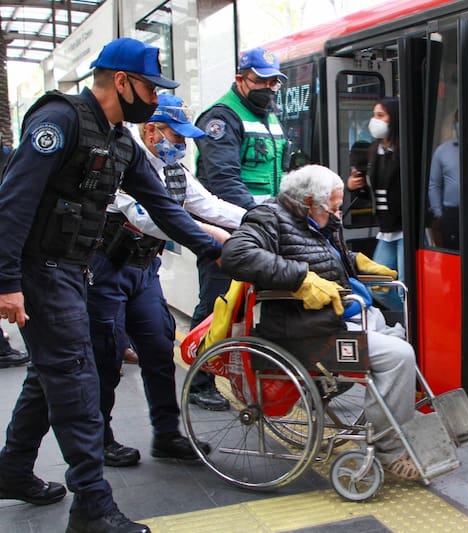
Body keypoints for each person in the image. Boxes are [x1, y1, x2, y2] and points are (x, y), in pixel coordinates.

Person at [0, 37, 222, 533]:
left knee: (50, 373)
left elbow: (163, 206)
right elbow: (13, 203)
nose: (154, 98)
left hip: (72, 270)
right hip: (41, 271)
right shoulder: (59, 121)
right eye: (150, 87)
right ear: (121, 82)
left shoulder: (120, 141)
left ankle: (12, 469)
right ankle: (92, 507)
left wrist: (214, 250)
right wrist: (6, 280)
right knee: (77, 378)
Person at [221, 164, 421, 480]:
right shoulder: (267, 218)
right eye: (335, 208)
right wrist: (299, 278)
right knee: (398, 357)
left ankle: (389, 423)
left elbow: (323, 257)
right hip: (306, 331)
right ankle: (390, 450)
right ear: (309, 202)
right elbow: (236, 255)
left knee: (403, 339)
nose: (338, 214)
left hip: (336, 318)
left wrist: (354, 262)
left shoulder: (315, 220)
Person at [87, 93, 246, 469]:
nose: (182, 145)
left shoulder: (174, 170)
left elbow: (209, 204)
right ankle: (99, 440)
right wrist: (209, 235)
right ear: (151, 130)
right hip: (106, 269)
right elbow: (145, 218)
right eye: (177, 137)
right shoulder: (123, 161)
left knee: (159, 351)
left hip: (144, 271)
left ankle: (167, 435)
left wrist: (259, 217)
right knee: (106, 356)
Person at [188, 46, 289, 409]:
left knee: (250, 304)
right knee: (217, 302)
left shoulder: (270, 116)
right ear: (240, 79)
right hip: (226, 227)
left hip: (261, 225)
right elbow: (224, 180)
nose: (269, 87)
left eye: (274, 81)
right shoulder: (221, 117)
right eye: (261, 80)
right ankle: (198, 381)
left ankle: (254, 372)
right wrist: (260, 217)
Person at [346, 97, 404, 281]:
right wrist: (354, 187)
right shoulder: (374, 151)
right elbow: (372, 192)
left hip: (405, 228)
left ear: (394, 118)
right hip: (386, 228)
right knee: (378, 284)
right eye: (374, 115)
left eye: (381, 115)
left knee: (403, 283)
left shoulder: (404, 150)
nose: (375, 120)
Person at [428, 110, 460, 250]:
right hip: (451, 214)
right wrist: (439, 213)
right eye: (459, 121)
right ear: (455, 124)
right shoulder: (442, 151)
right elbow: (434, 184)